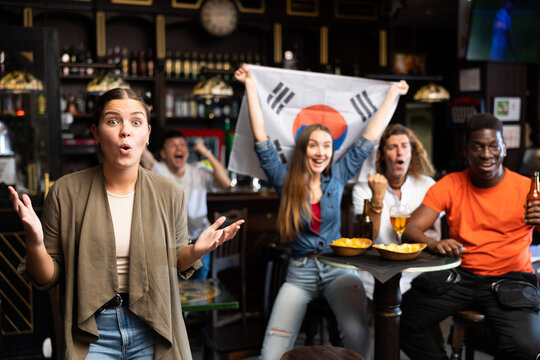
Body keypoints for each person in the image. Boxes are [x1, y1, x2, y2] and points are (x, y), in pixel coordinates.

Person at [9, 88, 243, 359]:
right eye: (112, 121)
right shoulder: (65, 192)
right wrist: (35, 243)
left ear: (147, 134)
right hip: (92, 331)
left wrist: (197, 250)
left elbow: (177, 262)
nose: (125, 131)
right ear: (96, 133)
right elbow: (45, 277)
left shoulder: (170, 192)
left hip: (152, 324)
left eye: (135, 122)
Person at [234, 64, 409, 359]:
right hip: (299, 272)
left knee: (357, 334)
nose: (320, 152)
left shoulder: (338, 175)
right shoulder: (284, 179)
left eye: (326, 146)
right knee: (272, 350)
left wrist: (392, 94)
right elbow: (261, 139)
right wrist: (250, 84)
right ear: (303, 149)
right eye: (313, 145)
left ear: (332, 151)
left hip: (337, 269)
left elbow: (368, 138)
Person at [400, 113, 540, 360]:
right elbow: (410, 230)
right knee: (403, 320)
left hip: (511, 279)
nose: (486, 154)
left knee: (528, 347)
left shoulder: (527, 188)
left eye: (493, 146)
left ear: (504, 148)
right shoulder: (450, 184)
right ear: (466, 150)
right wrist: (435, 243)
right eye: (478, 147)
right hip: (461, 276)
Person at [352, 124, 440, 298]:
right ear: (382, 155)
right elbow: (367, 239)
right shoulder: (363, 188)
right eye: (392, 147)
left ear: (412, 152)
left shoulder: (427, 185)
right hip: (374, 276)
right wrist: (377, 197)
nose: (400, 152)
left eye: (404, 146)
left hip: (417, 275)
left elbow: (436, 234)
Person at [140, 130, 231, 279]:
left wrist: (207, 153)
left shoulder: (198, 170)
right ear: (163, 153)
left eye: (182, 144)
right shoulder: (158, 169)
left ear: (187, 152)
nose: (178, 148)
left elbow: (225, 182)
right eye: (173, 145)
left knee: (198, 288)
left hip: (199, 238)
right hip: (168, 242)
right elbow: (141, 150)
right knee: (173, 287)